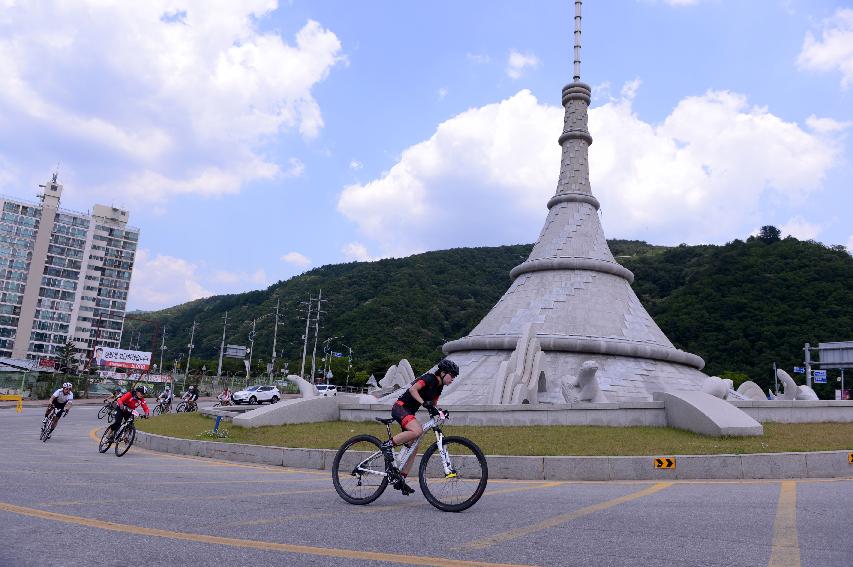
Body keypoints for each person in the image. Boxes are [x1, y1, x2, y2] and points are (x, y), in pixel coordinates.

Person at [381, 358, 459, 495]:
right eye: (451, 375)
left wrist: (440, 411)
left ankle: (400, 478)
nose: (453, 379)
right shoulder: (429, 378)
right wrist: (423, 403)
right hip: (400, 408)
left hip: (408, 413)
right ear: (442, 373)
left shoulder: (439, 387)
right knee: (417, 430)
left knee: (414, 446)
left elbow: (433, 404)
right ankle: (388, 445)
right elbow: (413, 389)